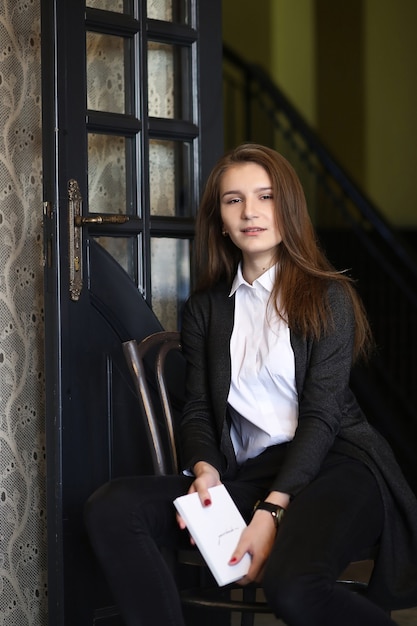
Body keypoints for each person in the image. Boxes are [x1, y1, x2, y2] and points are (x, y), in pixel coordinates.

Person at [85, 144, 417, 626]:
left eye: (265, 196)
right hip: (257, 472)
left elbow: (323, 416)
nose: (251, 212)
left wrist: (270, 513)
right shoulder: (206, 308)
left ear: (289, 209)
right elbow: (198, 409)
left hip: (339, 464)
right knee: (112, 508)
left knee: (294, 588)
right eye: (233, 200)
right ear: (220, 219)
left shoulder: (328, 297)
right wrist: (205, 470)